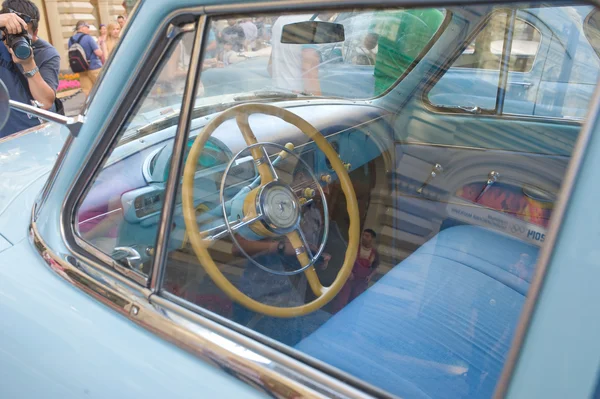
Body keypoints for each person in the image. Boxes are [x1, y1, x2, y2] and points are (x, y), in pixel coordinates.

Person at [0, 0, 60, 138]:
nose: (15, 40)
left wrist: (29, 64)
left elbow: (45, 102)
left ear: (35, 33)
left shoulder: (46, 53)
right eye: (10, 34)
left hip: (31, 135)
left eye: (23, 34)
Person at [268, 13, 333, 95]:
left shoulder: (280, 21)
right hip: (299, 100)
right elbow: (309, 73)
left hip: (277, 96)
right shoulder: (313, 24)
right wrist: (319, 103)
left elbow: (270, 67)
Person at [331, 228, 379, 313]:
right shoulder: (354, 247)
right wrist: (348, 271)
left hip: (361, 282)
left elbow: (376, 268)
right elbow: (345, 260)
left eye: (367, 236)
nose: (364, 237)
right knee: (342, 301)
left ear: (372, 239)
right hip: (349, 278)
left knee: (355, 304)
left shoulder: (375, 253)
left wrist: (370, 277)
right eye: (363, 235)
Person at [69, 20, 103, 97]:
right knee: (101, 87)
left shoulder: (71, 40)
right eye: (87, 27)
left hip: (81, 68)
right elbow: (98, 53)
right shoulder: (88, 38)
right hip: (94, 67)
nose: (89, 30)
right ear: (82, 27)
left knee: (88, 92)